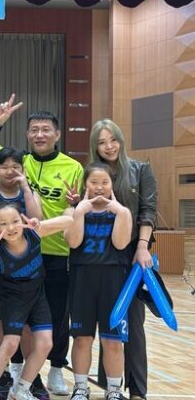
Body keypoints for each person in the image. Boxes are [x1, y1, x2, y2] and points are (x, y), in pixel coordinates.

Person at [0, 95, 84, 396]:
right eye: (34, 129)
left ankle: (57, 368)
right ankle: (19, 371)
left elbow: (78, 208)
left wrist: (77, 203)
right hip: (18, 253)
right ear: (26, 134)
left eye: (46, 129)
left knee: (57, 316)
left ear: (57, 134)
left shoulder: (73, 167)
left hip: (56, 252)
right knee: (18, 319)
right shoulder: (19, 161)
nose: (39, 134)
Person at [0, 205, 72, 400]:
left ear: (22, 221)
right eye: (3, 224)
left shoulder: (34, 234)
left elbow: (69, 221)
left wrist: (40, 224)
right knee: (10, 344)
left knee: (45, 343)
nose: (11, 227)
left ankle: (22, 389)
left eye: (15, 221)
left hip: (37, 296)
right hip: (13, 299)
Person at [89, 119, 156, 400]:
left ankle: (138, 390)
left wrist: (142, 247)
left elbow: (148, 210)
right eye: (102, 142)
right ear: (95, 147)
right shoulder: (92, 173)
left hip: (133, 254)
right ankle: (110, 386)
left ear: (121, 140)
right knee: (108, 321)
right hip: (101, 255)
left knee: (134, 324)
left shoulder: (141, 170)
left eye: (113, 139)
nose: (109, 146)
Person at [0, 148, 42, 399]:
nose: (10, 170)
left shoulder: (29, 194)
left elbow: (38, 221)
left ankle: (25, 376)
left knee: (28, 326)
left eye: (15, 166)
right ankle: (3, 374)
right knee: (0, 323)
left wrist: (25, 187)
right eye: (4, 166)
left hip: (25, 269)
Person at [63, 163, 133, 400]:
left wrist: (120, 212)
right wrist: (79, 212)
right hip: (82, 278)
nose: (99, 187)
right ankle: (81, 387)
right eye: (94, 182)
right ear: (85, 184)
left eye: (105, 182)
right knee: (82, 338)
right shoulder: (72, 211)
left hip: (113, 280)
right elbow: (73, 242)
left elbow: (121, 244)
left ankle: (113, 390)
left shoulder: (122, 212)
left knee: (112, 340)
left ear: (112, 184)